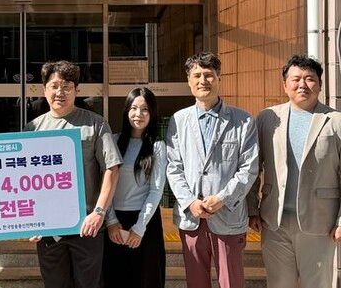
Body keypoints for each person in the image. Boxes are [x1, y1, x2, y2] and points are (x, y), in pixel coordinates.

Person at [25, 60, 122, 288]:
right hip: (48, 229)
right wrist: (30, 221)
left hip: (87, 225)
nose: (60, 92)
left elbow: (111, 168)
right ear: (44, 90)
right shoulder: (33, 128)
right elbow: (25, 179)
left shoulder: (95, 124)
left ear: (77, 90)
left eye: (67, 87)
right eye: (54, 86)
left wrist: (99, 212)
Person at [166, 52, 258, 288]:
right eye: (196, 75)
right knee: (196, 282)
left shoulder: (243, 120)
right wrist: (189, 202)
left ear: (219, 78)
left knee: (231, 282)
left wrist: (222, 198)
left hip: (228, 214)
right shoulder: (179, 120)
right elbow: (174, 166)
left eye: (208, 75)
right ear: (188, 81)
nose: (203, 80)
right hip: (192, 217)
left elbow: (249, 168)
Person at [247, 55, 341, 288]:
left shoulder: (335, 121)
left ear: (319, 84)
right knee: (279, 283)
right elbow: (253, 167)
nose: (302, 84)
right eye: (296, 79)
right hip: (275, 221)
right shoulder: (268, 118)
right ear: (285, 85)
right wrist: (251, 209)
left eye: (310, 79)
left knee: (318, 284)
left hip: (320, 222)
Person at [103, 87, 166, 288]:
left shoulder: (157, 146)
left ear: (152, 113)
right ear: (126, 111)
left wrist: (139, 228)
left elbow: (156, 190)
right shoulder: (112, 141)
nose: (139, 114)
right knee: (115, 278)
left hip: (145, 222)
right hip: (115, 222)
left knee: (146, 279)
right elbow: (105, 185)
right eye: (134, 108)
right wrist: (111, 221)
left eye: (145, 109)